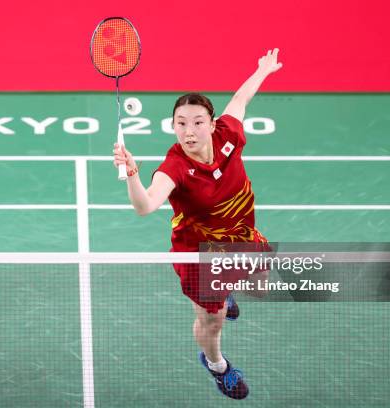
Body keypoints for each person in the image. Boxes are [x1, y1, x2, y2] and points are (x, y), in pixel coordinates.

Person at [113, 49, 282, 400]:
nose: (188, 132)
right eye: (181, 124)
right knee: (213, 319)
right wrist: (131, 174)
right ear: (173, 126)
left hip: (240, 238)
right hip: (199, 255)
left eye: (197, 122)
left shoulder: (230, 135)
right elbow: (145, 206)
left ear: (212, 122)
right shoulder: (174, 167)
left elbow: (240, 99)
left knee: (261, 284)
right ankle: (217, 365)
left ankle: (228, 290)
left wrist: (262, 71)